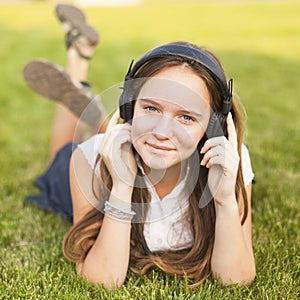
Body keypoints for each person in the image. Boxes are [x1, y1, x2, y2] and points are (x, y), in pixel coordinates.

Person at [24, 3, 256, 290]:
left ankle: (98, 111)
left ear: (215, 127)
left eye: (186, 117)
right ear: (130, 107)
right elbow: (103, 281)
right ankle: (78, 59)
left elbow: (236, 281)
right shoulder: (90, 159)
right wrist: (122, 187)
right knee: (61, 153)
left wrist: (224, 201)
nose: (162, 132)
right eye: (151, 108)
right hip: (97, 164)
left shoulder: (229, 160)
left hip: (134, 140)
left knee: (142, 138)